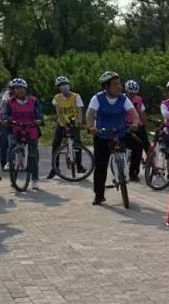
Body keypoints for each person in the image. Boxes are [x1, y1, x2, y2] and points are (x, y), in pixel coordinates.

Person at [86, 71, 139, 205]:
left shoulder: (123, 99)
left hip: (120, 132)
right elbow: (90, 113)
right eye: (115, 84)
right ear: (106, 87)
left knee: (138, 145)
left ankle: (133, 173)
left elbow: (133, 112)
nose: (119, 87)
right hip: (102, 134)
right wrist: (90, 126)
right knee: (100, 166)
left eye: (119, 84)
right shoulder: (97, 98)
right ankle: (99, 195)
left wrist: (135, 123)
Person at [0, 78, 43, 187]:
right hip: (16, 128)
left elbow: (39, 113)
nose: (19, 90)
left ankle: (34, 179)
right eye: (16, 88)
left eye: (21, 88)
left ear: (25, 89)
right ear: (13, 90)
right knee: (13, 146)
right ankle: (11, 170)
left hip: (31, 128)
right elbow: (5, 114)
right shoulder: (10, 102)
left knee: (32, 154)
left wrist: (39, 119)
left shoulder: (33, 101)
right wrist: (5, 120)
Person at [48, 76, 84, 179]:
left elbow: (79, 110)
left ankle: (79, 166)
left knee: (77, 144)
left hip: (74, 122)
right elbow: (59, 113)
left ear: (69, 85)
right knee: (55, 144)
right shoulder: (57, 98)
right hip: (62, 123)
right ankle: (55, 168)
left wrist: (79, 122)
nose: (64, 86)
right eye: (61, 85)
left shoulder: (76, 96)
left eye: (65, 84)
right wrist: (64, 123)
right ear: (58, 88)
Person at [123, 80, 147, 181]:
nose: (132, 95)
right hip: (125, 125)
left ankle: (134, 172)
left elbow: (142, 113)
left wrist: (144, 124)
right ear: (126, 91)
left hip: (136, 124)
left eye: (134, 93)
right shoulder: (121, 98)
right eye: (130, 93)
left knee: (141, 145)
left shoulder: (139, 99)